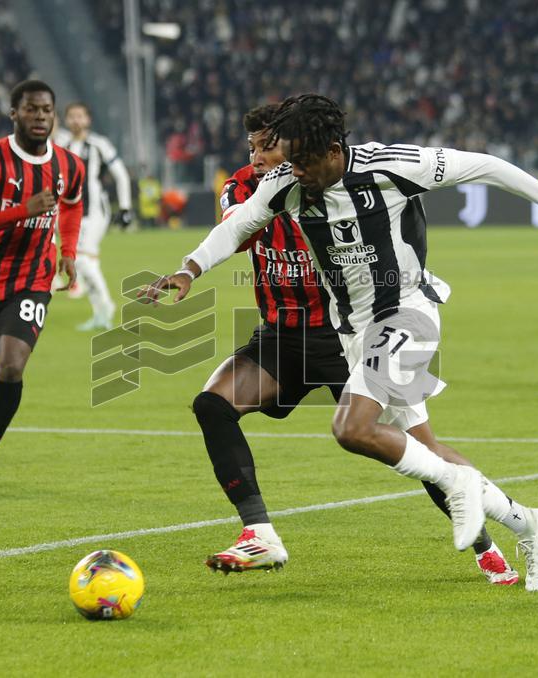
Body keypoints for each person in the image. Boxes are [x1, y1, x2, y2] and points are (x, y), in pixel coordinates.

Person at [144, 94, 538, 591]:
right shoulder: (284, 185)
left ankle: (471, 508)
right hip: (348, 332)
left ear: (332, 149)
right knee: (416, 447)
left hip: (406, 312)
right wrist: (189, 270)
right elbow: (236, 225)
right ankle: (528, 522)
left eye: (301, 160)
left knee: (354, 429)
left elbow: (490, 166)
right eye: (287, 159)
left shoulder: (392, 166)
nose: (293, 171)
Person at [197, 103, 518, 585]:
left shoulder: (336, 185)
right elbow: (238, 231)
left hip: (346, 333)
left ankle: (487, 549)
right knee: (213, 404)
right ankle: (259, 533)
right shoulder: (246, 188)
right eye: (253, 147)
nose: (259, 155)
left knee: (415, 445)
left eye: (269, 146)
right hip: (282, 334)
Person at [0, 80, 85, 495]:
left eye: (46, 110)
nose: (40, 117)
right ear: (14, 114)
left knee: (11, 365)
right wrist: (21, 211)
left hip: (33, 280)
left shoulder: (68, 165)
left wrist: (69, 250)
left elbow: (73, 203)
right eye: (31, 110)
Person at [54, 103, 133, 331]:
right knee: (86, 262)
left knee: (81, 259)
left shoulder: (99, 145)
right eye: (72, 117)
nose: (76, 121)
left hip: (95, 211)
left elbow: (121, 175)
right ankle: (100, 314)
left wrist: (125, 207)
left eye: (80, 116)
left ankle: (106, 307)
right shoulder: (61, 144)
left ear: (88, 120)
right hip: (69, 212)